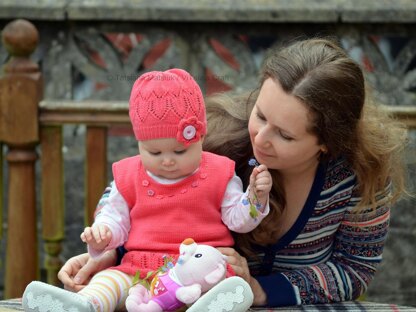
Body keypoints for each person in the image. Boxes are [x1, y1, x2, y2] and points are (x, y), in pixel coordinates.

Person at [55, 38, 408, 308]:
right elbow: (141, 198)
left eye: (284, 134)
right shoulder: (220, 147)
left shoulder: (360, 180)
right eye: (260, 115)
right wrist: (104, 255)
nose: (261, 138)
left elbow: (354, 270)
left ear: (327, 143)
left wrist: (260, 290)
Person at [22, 68, 273, 312]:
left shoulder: (220, 172)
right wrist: (104, 233)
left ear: (199, 137)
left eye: (179, 151)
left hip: (198, 270)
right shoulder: (128, 175)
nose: (167, 161)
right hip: (138, 269)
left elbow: (238, 220)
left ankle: (211, 306)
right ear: (139, 143)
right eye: (154, 152)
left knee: (220, 285)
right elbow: (115, 219)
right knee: (106, 282)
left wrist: (255, 197)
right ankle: (83, 305)